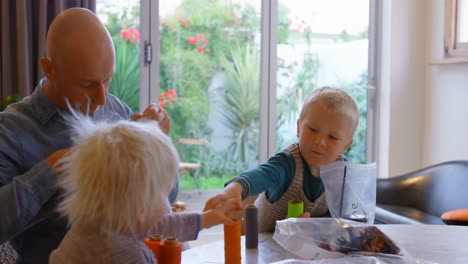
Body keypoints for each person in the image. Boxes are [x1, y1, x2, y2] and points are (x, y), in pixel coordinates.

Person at [0, 8, 240, 264]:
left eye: (107, 80)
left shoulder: (115, 110)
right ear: (49, 69)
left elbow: (156, 205)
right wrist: (51, 171)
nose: (102, 98)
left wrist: (155, 146)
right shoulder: (13, 131)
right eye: (88, 85)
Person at [48, 116, 238, 263]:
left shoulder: (94, 226)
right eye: (164, 193)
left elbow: (156, 227)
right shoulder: (128, 255)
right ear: (141, 207)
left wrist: (207, 219)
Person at [205, 86, 360, 232]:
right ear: (299, 128)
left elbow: (340, 217)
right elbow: (262, 174)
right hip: (262, 244)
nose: (320, 141)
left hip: (305, 250)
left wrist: (317, 226)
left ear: (346, 145)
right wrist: (236, 187)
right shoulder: (288, 162)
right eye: (312, 129)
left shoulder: (343, 173)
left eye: (332, 137)